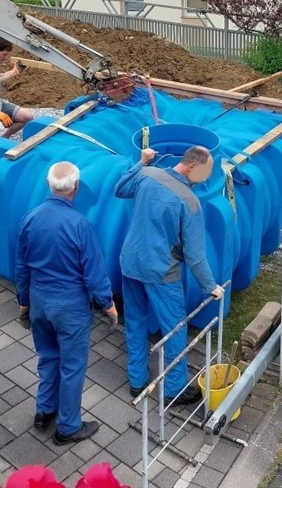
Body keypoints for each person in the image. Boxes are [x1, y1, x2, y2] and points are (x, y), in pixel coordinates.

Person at [15, 161, 117, 445]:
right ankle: (69, 427)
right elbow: (94, 273)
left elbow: (21, 268)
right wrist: (108, 306)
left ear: (50, 185)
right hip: (69, 307)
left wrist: (24, 303)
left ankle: (44, 411)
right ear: (75, 187)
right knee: (72, 366)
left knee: (48, 357)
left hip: (39, 301)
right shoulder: (80, 225)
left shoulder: (30, 218)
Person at [115, 145, 224, 405]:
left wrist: (141, 162)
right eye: (203, 175)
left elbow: (119, 188)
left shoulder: (147, 174)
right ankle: (174, 389)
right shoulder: (190, 202)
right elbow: (196, 255)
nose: (204, 181)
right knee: (175, 329)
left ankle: (137, 381)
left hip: (130, 263)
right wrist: (211, 286)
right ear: (190, 167)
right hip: (161, 271)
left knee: (135, 321)